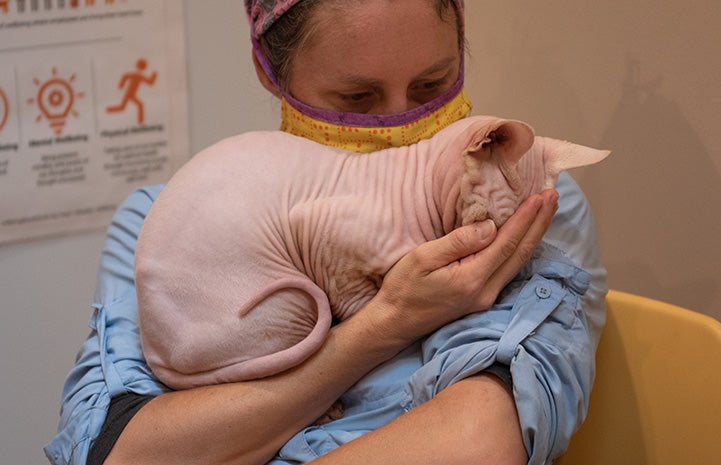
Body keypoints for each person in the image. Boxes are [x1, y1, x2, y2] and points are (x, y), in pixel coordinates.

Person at [44, 1, 607, 464]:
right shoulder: (160, 220)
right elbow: (123, 454)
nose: (404, 124)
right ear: (272, 71)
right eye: (357, 99)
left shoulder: (518, 204)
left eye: (431, 85)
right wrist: (387, 324)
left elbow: (479, 437)